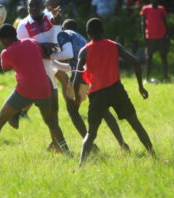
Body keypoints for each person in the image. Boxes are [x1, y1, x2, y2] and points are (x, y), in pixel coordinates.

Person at [0, 24, 71, 161]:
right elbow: (41, 51)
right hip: (44, 88)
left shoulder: (6, 52)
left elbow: (5, 68)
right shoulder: (31, 42)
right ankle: (67, 152)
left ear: (3, 40)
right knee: (51, 121)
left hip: (25, 90)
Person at [74, 18, 155, 166]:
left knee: (91, 133)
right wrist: (140, 87)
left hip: (97, 95)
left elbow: (77, 77)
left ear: (88, 34)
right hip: (116, 90)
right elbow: (136, 62)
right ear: (103, 31)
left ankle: (81, 165)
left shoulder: (84, 51)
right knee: (135, 123)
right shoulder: (114, 46)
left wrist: (77, 96)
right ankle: (153, 155)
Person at [53, 19, 130, 151]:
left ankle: (90, 145)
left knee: (73, 111)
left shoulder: (64, 35)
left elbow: (69, 56)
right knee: (104, 112)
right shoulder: (81, 38)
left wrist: (51, 56)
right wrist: (54, 63)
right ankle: (122, 143)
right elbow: (73, 65)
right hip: (92, 78)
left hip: (80, 78)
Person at [15, 0, 67, 151]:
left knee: (55, 108)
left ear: (44, 7)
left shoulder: (50, 17)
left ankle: (54, 142)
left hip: (51, 66)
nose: (34, 9)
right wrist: (43, 45)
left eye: (37, 6)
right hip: (37, 70)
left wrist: (57, 13)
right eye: (31, 6)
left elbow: (60, 25)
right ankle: (15, 114)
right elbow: (24, 50)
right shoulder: (23, 26)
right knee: (48, 110)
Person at [140, 0, 169, 82]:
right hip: (150, 37)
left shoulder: (161, 9)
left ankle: (165, 78)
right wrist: (144, 36)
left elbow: (165, 22)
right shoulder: (145, 9)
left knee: (163, 57)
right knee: (149, 58)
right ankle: (147, 78)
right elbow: (143, 23)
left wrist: (167, 35)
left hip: (161, 36)